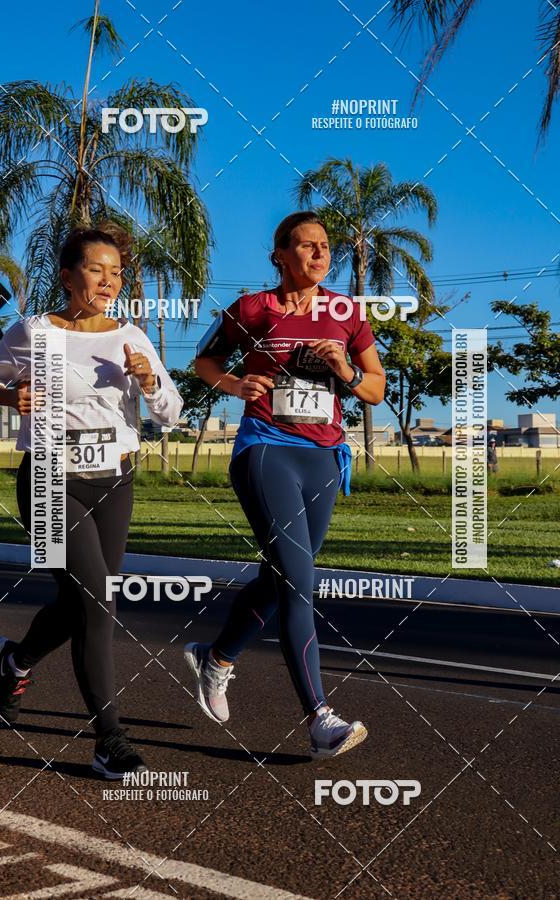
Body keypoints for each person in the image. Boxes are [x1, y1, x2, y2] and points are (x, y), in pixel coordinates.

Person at [0, 222, 183, 779]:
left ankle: (14, 660)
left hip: (114, 480)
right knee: (98, 606)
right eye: (97, 269)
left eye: (116, 272)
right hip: (47, 478)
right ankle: (108, 740)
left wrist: (151, 383)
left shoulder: (131, 337)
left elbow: (171, 414)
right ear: (68, 276)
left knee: (80, 604)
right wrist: (5, 393)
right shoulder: (35, 331)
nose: (109, 281)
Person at [184, 211, 386, 758]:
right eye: (305, 246)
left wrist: (344, 370)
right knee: (300, 580)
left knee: (281, 576)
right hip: (267, 448)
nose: (319, 254)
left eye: (325, 246)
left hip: (324, 457)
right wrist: (234, 382)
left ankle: (217, 657)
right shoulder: (251, 308)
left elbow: (375, 389)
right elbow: (203, 361)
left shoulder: (348, 313)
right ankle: (320, 719)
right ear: (279, 254)